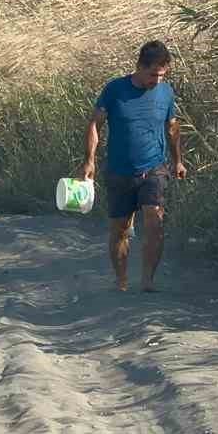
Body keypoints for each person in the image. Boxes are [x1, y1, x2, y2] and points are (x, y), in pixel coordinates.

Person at [80, 40, 187, 293]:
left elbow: (172, 127)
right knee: (120, 230)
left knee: (155, 222)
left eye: (162, 75)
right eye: (153, 74)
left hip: (154, 168)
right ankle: (122, 281)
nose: (157, 81)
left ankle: (148, 280)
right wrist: (89, 160)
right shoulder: (115, 89)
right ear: (139, 67)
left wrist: (178, 160)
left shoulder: (166, 92)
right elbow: (95, 124)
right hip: (119, 171)